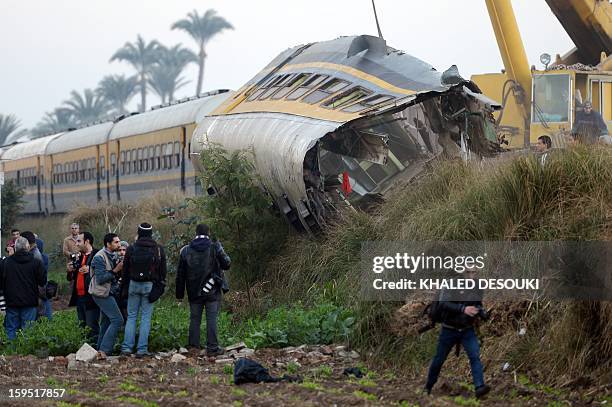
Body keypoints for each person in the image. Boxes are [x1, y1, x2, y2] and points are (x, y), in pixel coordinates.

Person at [425, 275, 490, 399]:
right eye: (468, 271)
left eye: (474, 271)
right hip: (449, 329)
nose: (471, 275)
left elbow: (477, 304)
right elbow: (443, 304)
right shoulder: (451, 283)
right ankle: (428, 386)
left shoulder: (477, 286)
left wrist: (482, 312)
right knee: (439, 360)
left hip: (467, 330)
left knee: (475, 356)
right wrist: (463, 308)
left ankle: (479, 387)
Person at [176, 224, 231, 356]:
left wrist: (179, 294)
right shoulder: (214, 247)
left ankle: (194, 348)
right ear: (209, 232)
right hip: (212, 290)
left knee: (195, 319)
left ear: (195, 233)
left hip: (194, 292)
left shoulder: (185, 250)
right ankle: (212, 348)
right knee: (211, 318)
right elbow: (227, 264)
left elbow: (180, 275)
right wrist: (219, 247)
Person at [120, 223, 167, 357]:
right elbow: (163, 271)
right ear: (151, 233)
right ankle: (142, 350)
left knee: (131, 317)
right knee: (145, 318)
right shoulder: (158, 249)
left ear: (139, 232)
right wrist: (159, 288)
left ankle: (127, 348)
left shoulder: (131, 248)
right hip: (149, 285)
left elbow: (125, 271)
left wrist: (123, 288)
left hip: (133, 285)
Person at [0, 237, 46, 340]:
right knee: (28, 329)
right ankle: (26, 352)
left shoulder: (6, 263)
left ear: (15, 247)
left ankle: (11, 353)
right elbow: (42, 281)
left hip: (11, 301)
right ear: (28, 247)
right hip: (30, 300)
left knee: (11, 328)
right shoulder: (36, 262)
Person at [91, 233, 124, 358]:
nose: (119, 244)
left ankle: (99, 350)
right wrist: (116, 270)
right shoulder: (99, 257)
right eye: (116, 242)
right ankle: (105, 350)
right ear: (108, 244)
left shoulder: (112, 255)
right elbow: (100, 279)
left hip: (107, 292)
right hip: (101, 293)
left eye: (119, 241)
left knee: (105, 322)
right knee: (117, 320)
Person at [67, 231, 100, 346]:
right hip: (79, 297)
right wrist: (70, 271)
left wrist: (91, 269)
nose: (76, 244)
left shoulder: (98, 254)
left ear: (87, 242)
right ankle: (84, 349)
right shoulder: (79, 257)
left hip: (91, 297)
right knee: (82, 326)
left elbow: (105, 271)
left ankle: (95, 349)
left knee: (92, 326)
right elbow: (72, 278)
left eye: (79, 241)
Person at [21, 231, 52, 320]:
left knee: (39, 313)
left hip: (36, 290)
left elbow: (38, 278)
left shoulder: (34, 256)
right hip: (38, 289)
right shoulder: (36, 253)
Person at [116, 241, 129, 323]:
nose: (122, 252)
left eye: (124, 250)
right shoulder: (114, 261)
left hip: (127, 291)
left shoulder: (131, 261)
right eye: (120, 250)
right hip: (117, 291)